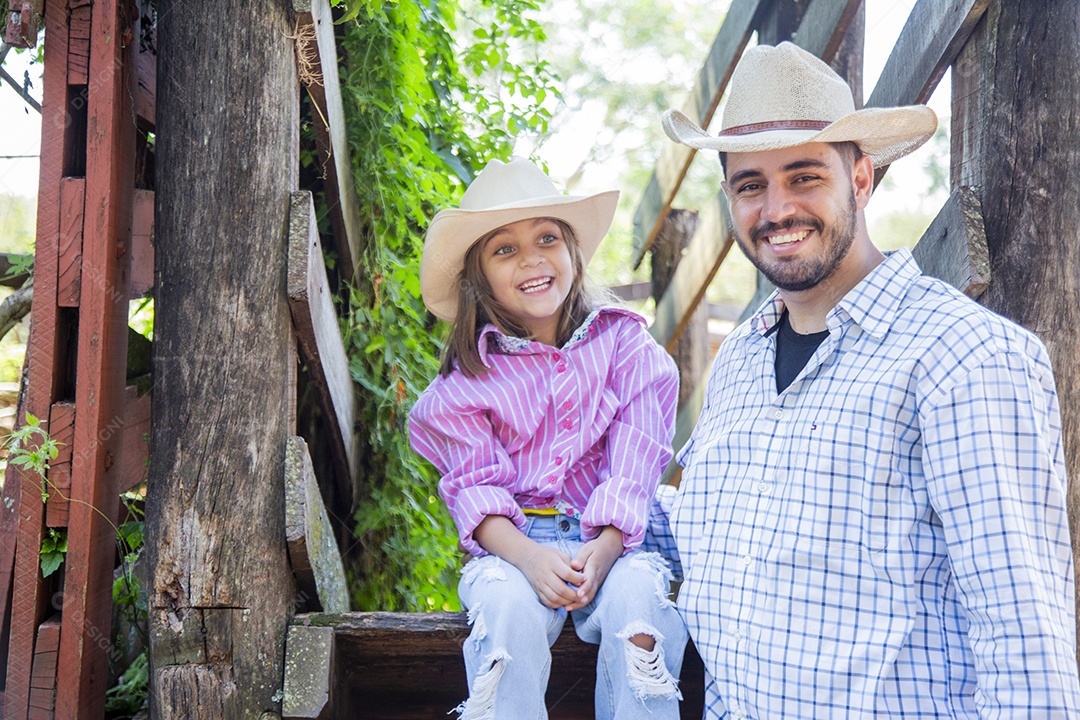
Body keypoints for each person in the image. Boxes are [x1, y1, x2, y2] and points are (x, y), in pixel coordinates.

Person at [662, 42, 1080, 718]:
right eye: (750, 184)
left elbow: (1024, 646)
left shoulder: (962, 356)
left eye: (803, 176)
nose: (776, 209)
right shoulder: (738, 362)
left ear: (860, 179)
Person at [409, 156, 687, 719]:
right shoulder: (467, 382)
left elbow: (635, 464)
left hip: (612, 537)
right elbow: (475, 491)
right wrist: (530, 559)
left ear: (572, 252)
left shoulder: (625, 348)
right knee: (505, 610)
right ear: (478, 275)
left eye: (547, 238)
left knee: (641, 606)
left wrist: (605, 549)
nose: (532, 259)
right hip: (514, 546)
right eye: (504, 249)